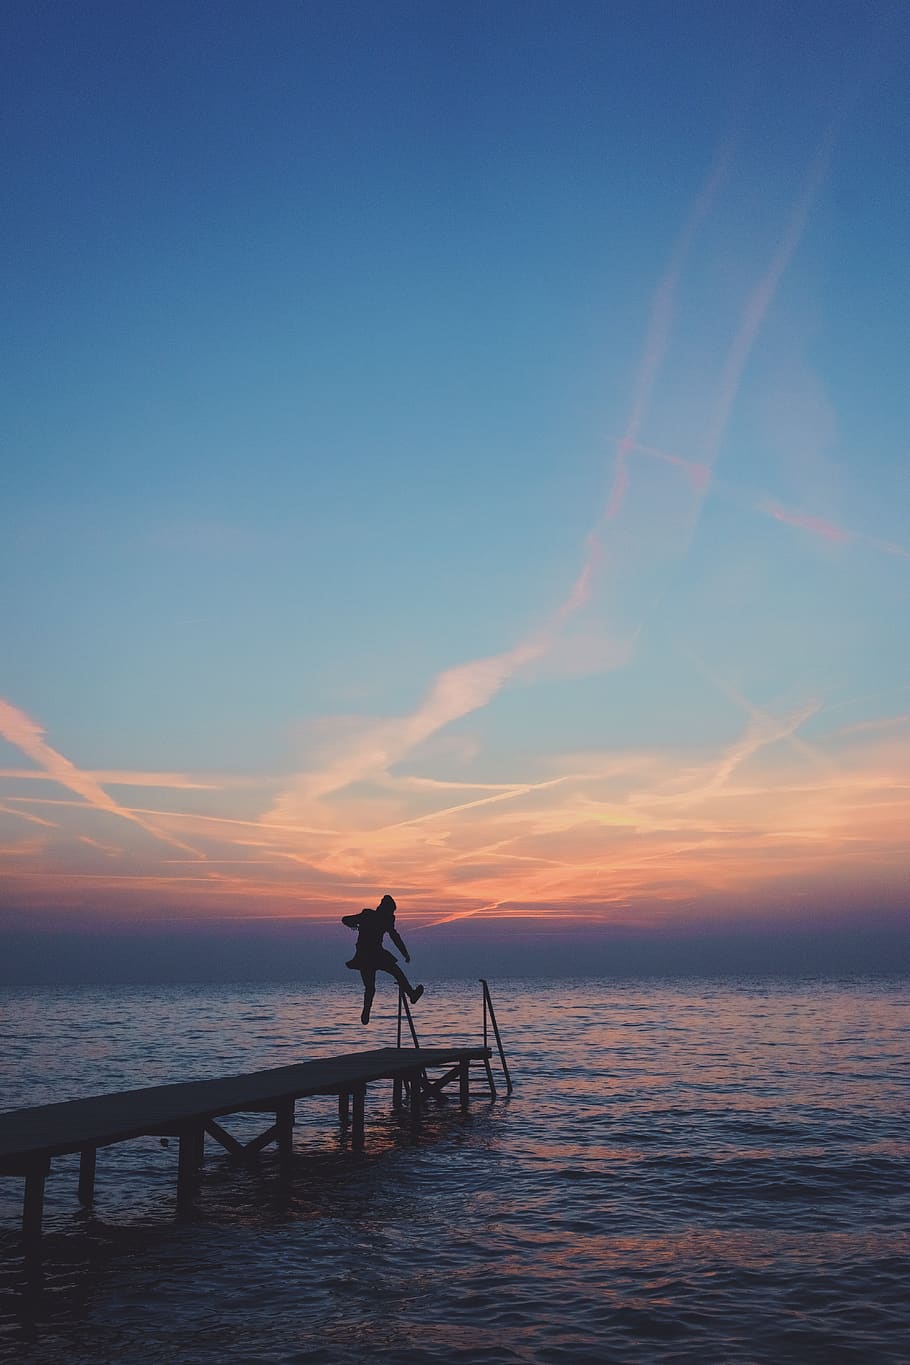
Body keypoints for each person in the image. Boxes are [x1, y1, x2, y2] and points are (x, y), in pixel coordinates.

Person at [342, 894, 424, 1025]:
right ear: (386, 909)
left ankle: (367, 1011)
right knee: (394, 974)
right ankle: (410, 995)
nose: (391, 914)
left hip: (369, 955)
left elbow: (345, 920)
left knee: (373, 985)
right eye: (391, 911)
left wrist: (405, 953)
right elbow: (346, 920)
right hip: (372, 955)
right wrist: (357, 925)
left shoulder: (372, 916)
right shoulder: (374, 916)